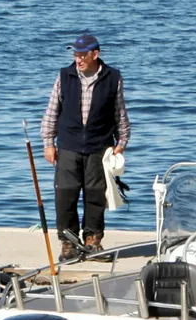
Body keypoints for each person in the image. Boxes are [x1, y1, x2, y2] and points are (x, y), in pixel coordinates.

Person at [40, 34, 131, 260]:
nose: (78, 59)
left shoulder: (113, 78)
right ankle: (69, 244)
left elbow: (120, 113)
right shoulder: (65, 76)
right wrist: (48, 143)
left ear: (95, 54)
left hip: (99, 148)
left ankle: (93, 242)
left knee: (95, 196)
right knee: (65, 195)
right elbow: (52, 111)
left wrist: (122, 142)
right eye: (75, 55)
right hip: (68, 146)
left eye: (82, 55)